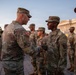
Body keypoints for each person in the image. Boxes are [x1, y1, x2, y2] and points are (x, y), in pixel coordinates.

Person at [1, 7, 32, 75]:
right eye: (28, 16)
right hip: (15, 65)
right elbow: (29, 50)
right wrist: (40, 48)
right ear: (22, 15)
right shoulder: (19, 29)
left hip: (7, 63)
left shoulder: (9, 27)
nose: (29, 19)